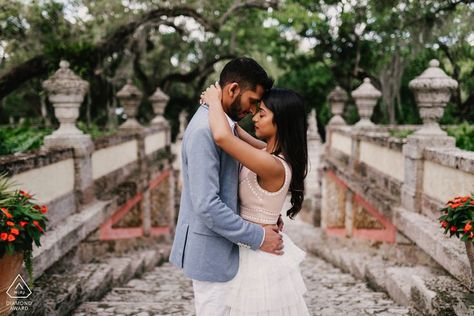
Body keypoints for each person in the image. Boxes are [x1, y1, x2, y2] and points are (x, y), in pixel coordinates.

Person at [169, 57, 284, 316]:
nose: (253, 110)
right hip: (212, 254)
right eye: (253, 101)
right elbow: (207, 205)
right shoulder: (204, 131)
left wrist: (261, 214)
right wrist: (259, 237)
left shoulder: (222, 125)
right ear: (232, 90)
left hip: (228, 251)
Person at [201, 82, 310, 315]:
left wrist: (212, 101)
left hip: (260, 258)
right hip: (251, 245)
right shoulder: (266, 152)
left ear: (281, 121)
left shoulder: (272, 165)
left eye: (262, 114)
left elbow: (223, 137)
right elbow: (236, 132)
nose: (255, 119)